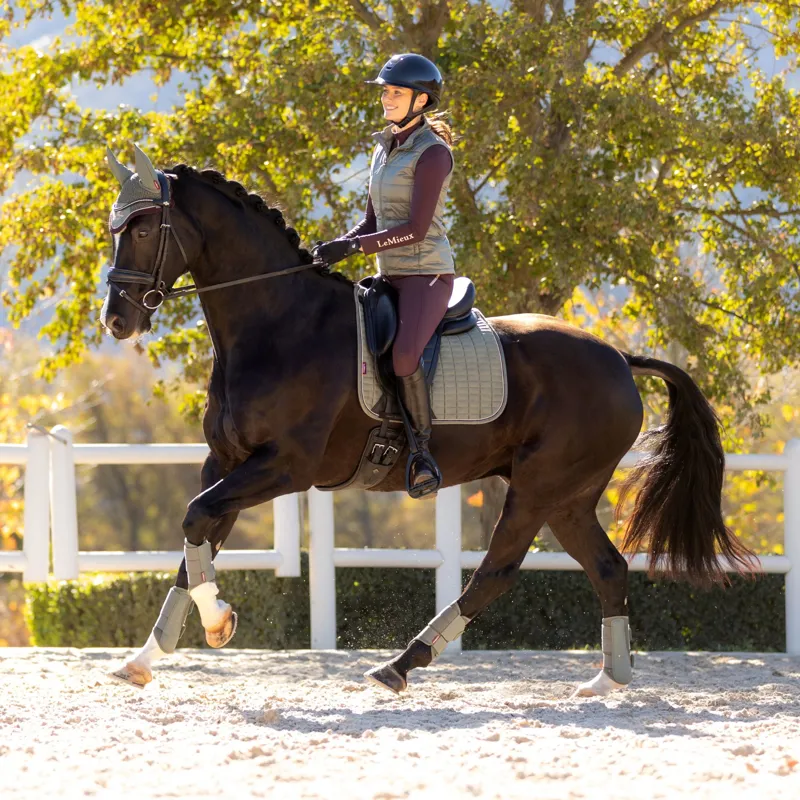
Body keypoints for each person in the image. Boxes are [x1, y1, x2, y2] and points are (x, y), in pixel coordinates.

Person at [315, 53, 456, 498]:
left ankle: (422, 455)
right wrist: (331, 248)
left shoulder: (433, 154)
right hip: (389, 275)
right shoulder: (383, 148)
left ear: (421, 99)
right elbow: (371, 224)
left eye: (395, 92)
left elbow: (415, 228)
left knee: (403, 358)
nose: (386, 98)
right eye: (385, 91)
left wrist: (356, 247)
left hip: (427, 275)